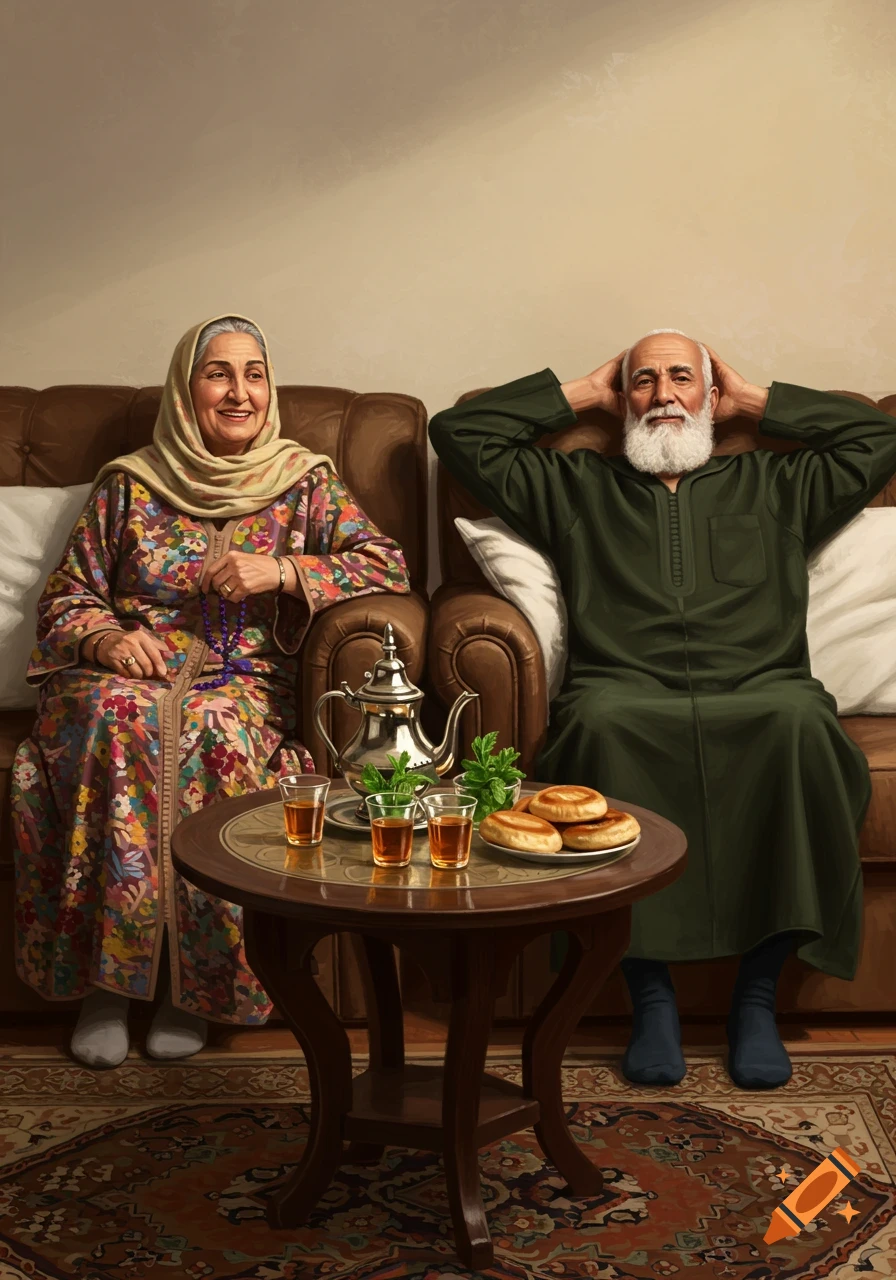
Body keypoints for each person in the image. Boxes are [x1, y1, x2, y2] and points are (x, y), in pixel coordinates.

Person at [429, 329, 896, 1090]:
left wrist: (757, 400)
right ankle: (651, 997)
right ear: (622, 402)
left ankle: (755, 998)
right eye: (643, 381)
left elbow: (880, 436)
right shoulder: (576, 485)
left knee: (803, 726)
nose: (664, 395)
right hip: (623, 691)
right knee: (599, 729)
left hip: (761, 689)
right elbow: (457, 433)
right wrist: (579, 390)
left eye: (684, 377)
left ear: (713, 397)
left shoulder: (778, 485)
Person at [13, 314, 410, 1069]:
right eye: (217, 373)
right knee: (116, 719)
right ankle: (110, 986)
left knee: (212, 732)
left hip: (240, 683)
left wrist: (288, 572)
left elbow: (387, 566)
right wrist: (105, 638)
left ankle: (191, 989)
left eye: (254, 373)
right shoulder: (132, 485)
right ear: (184, 388)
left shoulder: (305, 483)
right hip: (121, 675)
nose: (239, 392)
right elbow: (67, 595)